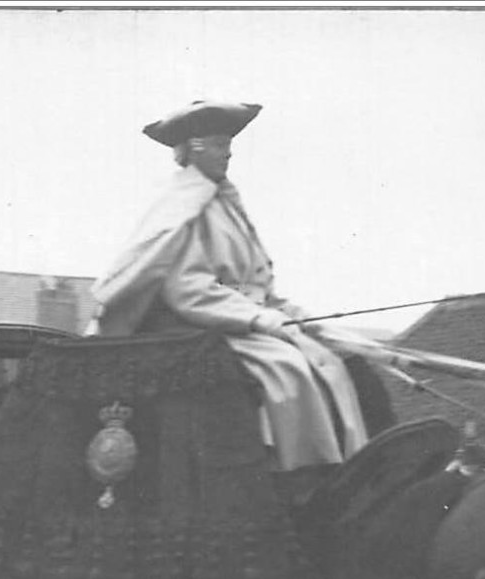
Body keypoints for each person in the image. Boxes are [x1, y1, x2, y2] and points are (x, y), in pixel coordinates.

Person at [89, 100, 370, 471]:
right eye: (221, 144)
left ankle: (350, 465)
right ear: (193, 148)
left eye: (229, 144)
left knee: (334, 358)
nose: (229, 153)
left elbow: (258, 285)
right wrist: (257, 320)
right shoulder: (180, 207)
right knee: (289, 369)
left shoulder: (227, 205)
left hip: (243, 322)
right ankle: (299, 474)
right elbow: (188, 291)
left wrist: (300, 318)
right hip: (201, 328)